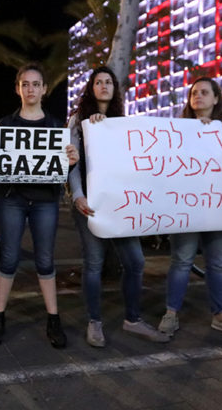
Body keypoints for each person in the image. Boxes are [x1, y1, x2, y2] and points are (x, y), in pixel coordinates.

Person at [69, 66, 169, 347]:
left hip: (121, 205)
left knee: (135, 261)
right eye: (98, 82)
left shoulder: (124, 123)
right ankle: (95, 321)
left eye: (108, 82)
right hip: (89, 204)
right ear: (91, 88)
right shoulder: (78, 121)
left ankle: (133, 319)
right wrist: (77, 195)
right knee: (94, 263)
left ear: (115, 89)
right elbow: (72, 162)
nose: (103, 86)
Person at [0, 63, 79, 348]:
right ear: (18, 89)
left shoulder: (54, 126)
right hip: (12, 198)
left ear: (44, 89)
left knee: (45, 260)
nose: (30, 89)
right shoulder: (5, 125)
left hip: (45, 200)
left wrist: (70, 160)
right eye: (25, 84)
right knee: (9, 257)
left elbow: (61, 171)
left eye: (36, 84)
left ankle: (53, 318)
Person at [158, 77, 222, 340]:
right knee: (181, 261)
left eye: (204, 92)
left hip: (220, 209)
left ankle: (221, 316)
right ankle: (171, 314)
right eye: (193, 93)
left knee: (218, 265)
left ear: (215, 99)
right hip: (187, 209)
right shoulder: (177, 130)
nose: (198, 96)